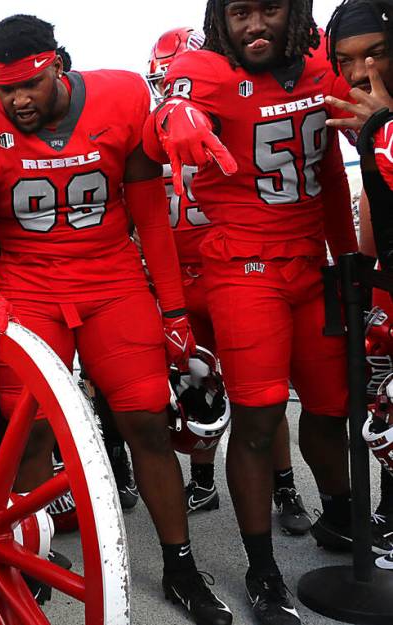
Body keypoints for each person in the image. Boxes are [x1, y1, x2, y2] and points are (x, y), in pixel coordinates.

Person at [0, 15, 230, 625]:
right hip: (28, 281)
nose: (17, 100)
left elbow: (150, 211)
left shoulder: (121, 94)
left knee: (146, 418)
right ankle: (24, 555)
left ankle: (180, 565)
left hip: (111, 277)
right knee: (29, 427)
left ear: (59, 66)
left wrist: (173, 307)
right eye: (5, 88)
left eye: (29, 84)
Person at [142, 1, 374, 621]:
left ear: (296, 12)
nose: (254, 27)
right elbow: (168, 108)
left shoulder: (326, 62)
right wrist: (178, 114)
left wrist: (349, 258)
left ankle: (342, 516)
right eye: (240, 13)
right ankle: (263, 569)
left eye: (269, 10)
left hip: (314, 262)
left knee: (331, 409)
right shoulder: (207, 66)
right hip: (243, 266)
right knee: (258, 418)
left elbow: (333, 163)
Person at [146, 25, 313, 534]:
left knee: (258, 394)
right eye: (159, 82)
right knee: (196, 389)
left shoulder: (233, 114)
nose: (167, 90)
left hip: (230, 270)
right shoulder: (160, 127)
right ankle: (203, 480)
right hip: (181, 280)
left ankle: (284, 484)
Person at [324, 0, 393, 544]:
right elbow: (375, 193)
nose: (360, 73)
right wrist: (371, 270)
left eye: (375, 55)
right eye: (347, 60)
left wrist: (384, 131)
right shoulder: (368, 105)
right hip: (388, 269)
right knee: (384, 409)